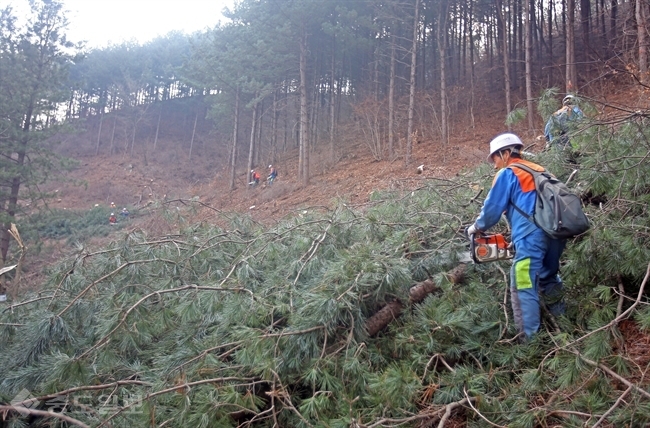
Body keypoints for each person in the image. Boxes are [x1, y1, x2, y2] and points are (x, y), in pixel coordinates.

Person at [465, 133, 566, 340]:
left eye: (494, 158)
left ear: (504, 153)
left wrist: (476, 227)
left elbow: (492, 209)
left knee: (523, 283)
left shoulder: (508, 173)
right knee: (549, 276)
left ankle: (530, 342)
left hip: (531, 237)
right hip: (556, 234)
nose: (494, 165)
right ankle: (563, 327)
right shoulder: (540, 170)